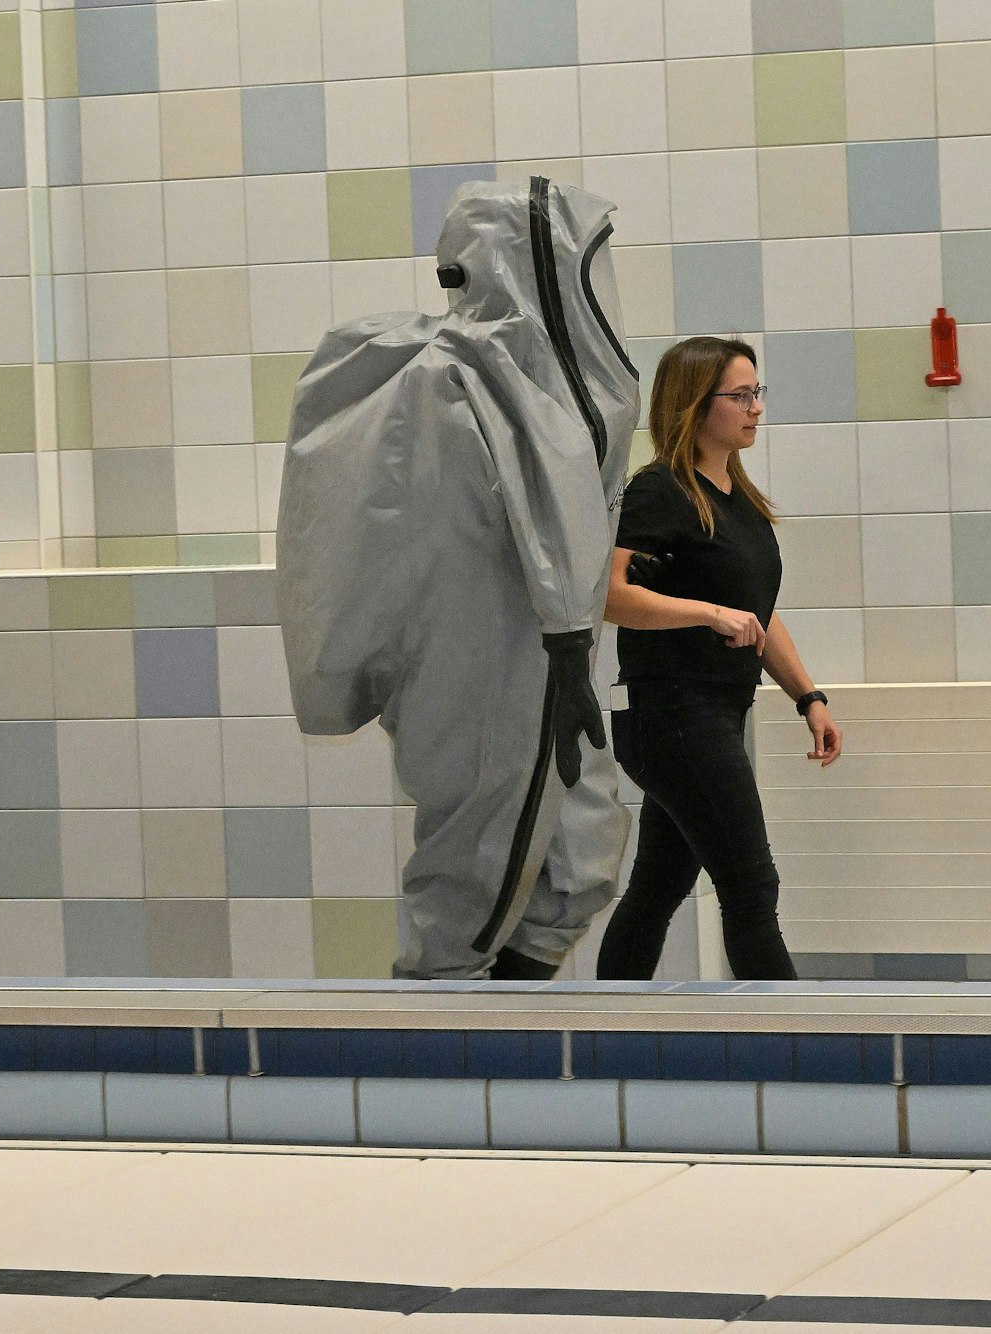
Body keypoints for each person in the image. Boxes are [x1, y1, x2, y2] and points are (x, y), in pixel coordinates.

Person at [276, 178, 639, 980]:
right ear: (535, 267)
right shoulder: (455, 379)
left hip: (538, 657)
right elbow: (532, 529)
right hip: (489, 660)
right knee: (479, 866)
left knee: (577, 861)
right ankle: (440, 1055)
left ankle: (496, 1044)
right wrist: (568, 635)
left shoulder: (501, 380)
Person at [596, 336, 843, 981]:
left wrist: (807, 696)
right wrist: (706, 613)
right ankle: (789, 1045)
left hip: (710, 715)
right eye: (739, 395)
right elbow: (613, 596)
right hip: (671, 715)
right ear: (694, 404)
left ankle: (605, 1032)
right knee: (751, 885)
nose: (754, 408)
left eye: (756, 393)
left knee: (656, 889)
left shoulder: (738, 499)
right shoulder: (658, 492)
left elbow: (755, 610)